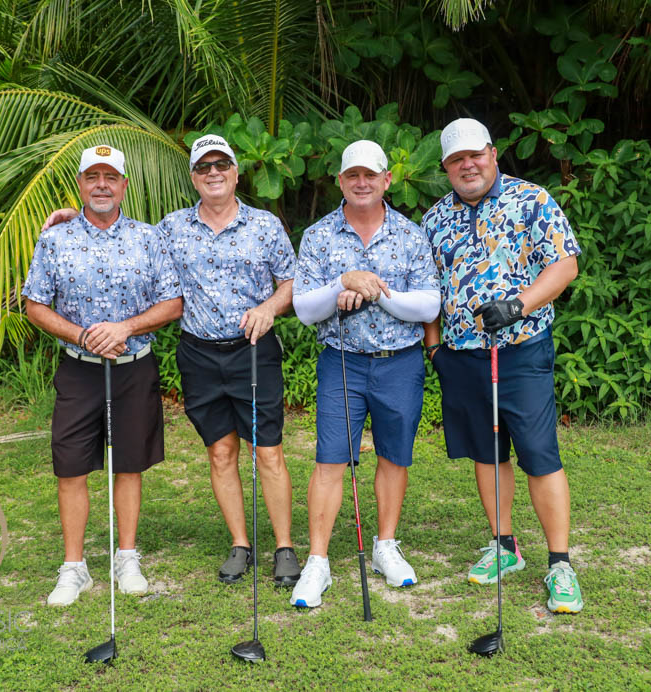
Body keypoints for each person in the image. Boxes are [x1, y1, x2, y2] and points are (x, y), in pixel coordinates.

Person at [42, 135, 302, 587]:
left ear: (236, 172)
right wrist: (72, 218)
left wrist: (269, 307)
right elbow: (112, 233)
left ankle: (284, 547)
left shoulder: (265, 225)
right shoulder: (170, 229)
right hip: (199, 354)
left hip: (253, 350)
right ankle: (240, 544)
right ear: (193, 177)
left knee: (268, 451)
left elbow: (293, 282)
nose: (213, 173)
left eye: (222, 164)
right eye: (203, 167)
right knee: (220, 452)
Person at [421, 118, 584, 614]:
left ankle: (560, 563)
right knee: (487, 453)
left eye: (475, 155)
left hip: (522, 349)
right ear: (446, 167)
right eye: (457, 160)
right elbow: (428, 291)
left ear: (492, 154)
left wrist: (519, 305)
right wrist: (434, 348)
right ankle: (504, 545)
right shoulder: (433, 219)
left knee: (539, 453)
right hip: (462, 356)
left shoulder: (532, 200)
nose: (467, 165)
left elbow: (565, 264)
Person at [23, 144, 182, 606]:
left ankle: (126, 556)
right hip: (80, 370)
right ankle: (74, 567)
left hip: (134, 368)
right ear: (80, 184)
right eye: (92, 176)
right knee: (71, 466)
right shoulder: (55, 240)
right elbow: (35, 305)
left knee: (128, 464)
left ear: (124, 186)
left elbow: (172, 303)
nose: (101, 185)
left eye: (110, 177)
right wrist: (84, 336)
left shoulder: (149, 238)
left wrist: (124, 329)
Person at [290, 140, 440, 608]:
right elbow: (304, 309)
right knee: (331, 459)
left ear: (386, 180)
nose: (361, 182)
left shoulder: (411, 234)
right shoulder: (318, 236)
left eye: (370, 175)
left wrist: (376, 291)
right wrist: (341, 282)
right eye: (352, 175)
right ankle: (317, 561)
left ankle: (385, 546)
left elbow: (429, 304)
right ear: (340, 181)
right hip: (343, 361)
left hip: (400, 362)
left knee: (394, 456)